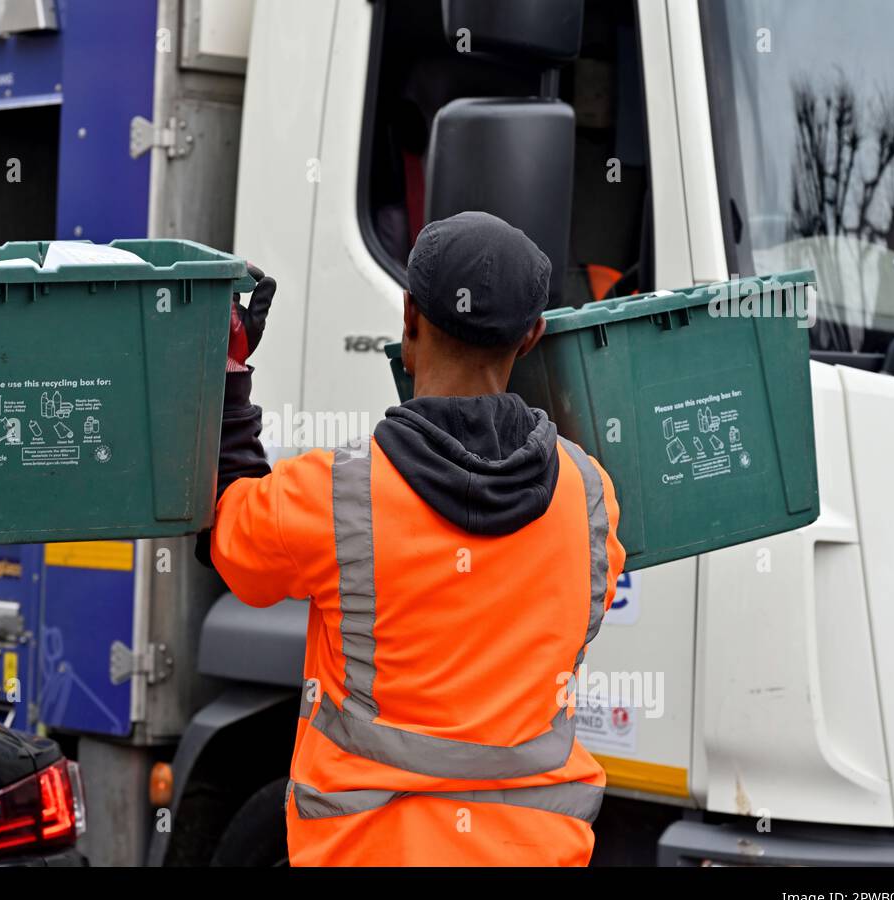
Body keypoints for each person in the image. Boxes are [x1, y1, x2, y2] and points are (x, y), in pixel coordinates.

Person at [206, 210, 625, 866]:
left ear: (408, 318)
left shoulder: (332, 494)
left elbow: (231, 540)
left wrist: (230, 372)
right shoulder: (589, 495)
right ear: (533, 336)